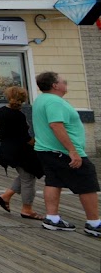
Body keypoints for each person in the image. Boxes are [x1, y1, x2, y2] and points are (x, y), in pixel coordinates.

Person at [32, 71, 100, 236]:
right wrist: (72, 151)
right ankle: (94, 223)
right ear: (55, 85)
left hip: (46, 150)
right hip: (62, 151)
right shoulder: (55, 102)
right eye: (63, 81)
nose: (66, 83)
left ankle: (52, 219)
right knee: (87, 182)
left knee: (54, 182)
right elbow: (56, 125)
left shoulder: (40, 100)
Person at [0, 86, 44, 220]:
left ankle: (5, 196)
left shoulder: (2, 111)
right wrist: (38, 142)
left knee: (25, 175)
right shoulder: (18, 115)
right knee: (28, 179)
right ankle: (27, 209)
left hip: (7, 149)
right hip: (21, 151)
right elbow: (25, 138)